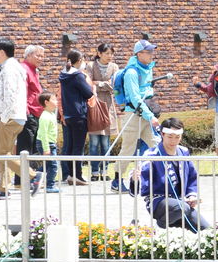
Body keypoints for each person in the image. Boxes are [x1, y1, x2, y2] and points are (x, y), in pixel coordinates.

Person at [138, 117, 211, 232]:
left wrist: (192, 195)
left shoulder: (183, 151)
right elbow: (143, 183)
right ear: (162, 134)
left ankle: (172, 223)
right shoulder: (151, 154)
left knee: (207, 230)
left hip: (182, 203)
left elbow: (192, 177)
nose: (174, 141)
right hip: (159, 201)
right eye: (170, 137)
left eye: (177, 137)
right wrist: (135, 179)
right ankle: (162, 225)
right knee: (181, 208)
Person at [0, 37, 37, 199]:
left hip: (9, 118)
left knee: (1, 154)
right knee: (5, 153)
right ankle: (3, 188)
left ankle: (33, 176)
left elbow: (9, 95)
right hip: (16, 117)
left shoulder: (9, 69)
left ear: (2, 52)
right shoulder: (14, 67)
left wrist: (3, 118)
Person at [113, 39, 159, 194]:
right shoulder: (131, 72)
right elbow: (134, 97)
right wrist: (150, 115)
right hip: (133, 115)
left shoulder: (148, 68)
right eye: (149, 52)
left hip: (146, 114)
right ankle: (116, 180)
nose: (152, 54)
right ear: (139, 54)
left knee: (157, 145)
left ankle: (158, 178)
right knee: (128, 148)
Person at [58, 49, 93, 185]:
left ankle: (70, 175)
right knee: (78, 146)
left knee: (70, 146)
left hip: (68, 114)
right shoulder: (78, 75)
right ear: (79, 61)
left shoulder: (64, 74)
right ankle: (77, 175)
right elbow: (88, 92)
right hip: (79, 114)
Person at [87, 43, 119, 179]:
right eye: (106, 53)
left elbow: (116, 85)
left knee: (106, 142)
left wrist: (104, 85)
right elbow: (87, 82)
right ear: (99, 53)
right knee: (94, 142)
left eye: (111, 53)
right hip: (94, 105)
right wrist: (100, 84)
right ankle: (94, 171)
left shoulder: (114, 67)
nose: (109, 56)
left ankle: (104, 171)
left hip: (108, 106)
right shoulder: (90, 66)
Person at [15, 44, 46, 160]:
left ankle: (30, 176)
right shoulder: (24, 69)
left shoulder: (34, 70)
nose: (41, 59)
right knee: (25, 149)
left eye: (42, 56)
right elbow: (21, 92)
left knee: (33, 149)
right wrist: (26, 113)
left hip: (35, 114)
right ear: (28, 55)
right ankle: (22, 177)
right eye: (38, 56)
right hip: (28, 114)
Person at [35, 92, 61, 193]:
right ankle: (50, 185)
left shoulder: (51, 114)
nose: (56, 101)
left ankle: (35, 177)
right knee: (53, 165)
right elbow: (43, 133)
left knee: (48, 165)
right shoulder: (45, 117)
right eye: (54, 99)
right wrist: (46, 148)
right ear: (46, 102)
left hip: (50, 143)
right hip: (46, 143)